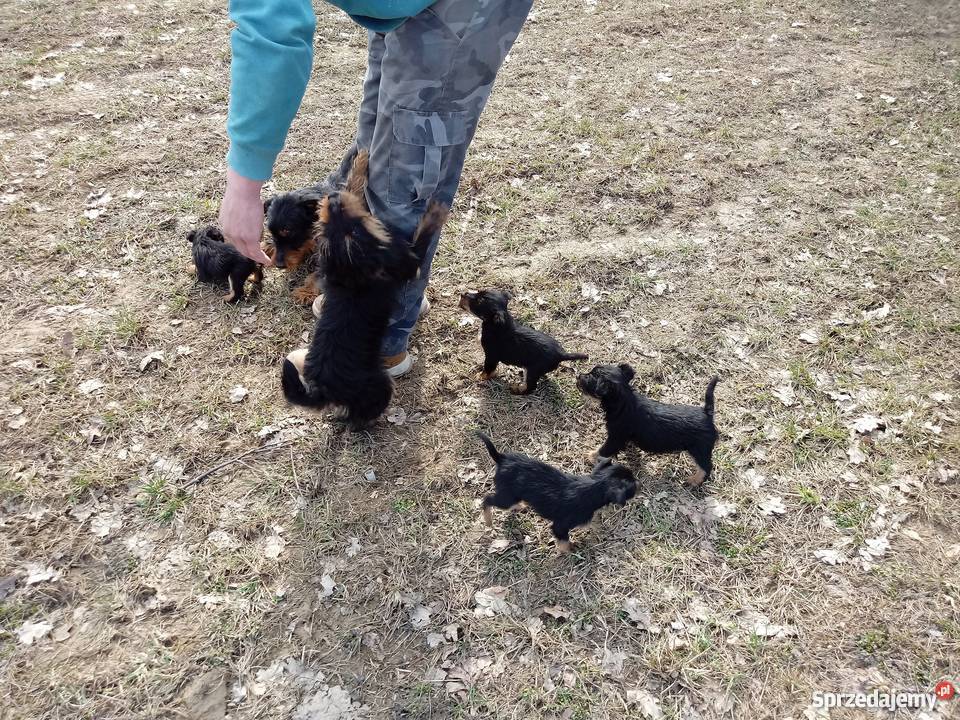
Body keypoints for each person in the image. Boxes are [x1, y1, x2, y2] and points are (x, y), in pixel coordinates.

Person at [218, 0, 534, 377]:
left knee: (406, 178)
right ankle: (398, 302)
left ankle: (381, 346)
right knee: (374, 147)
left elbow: (272, 34)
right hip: (399, 9)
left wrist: (243, 185)